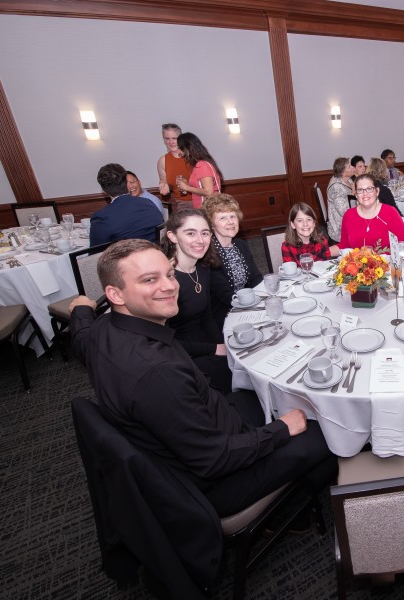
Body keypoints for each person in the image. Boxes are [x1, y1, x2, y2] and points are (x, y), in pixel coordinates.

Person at [69, 239, 337, 519]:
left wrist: (82, 308)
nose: (170, 286)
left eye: (170, 274)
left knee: (257, 390)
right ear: (116, 294)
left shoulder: (101, 330)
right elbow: (215, 459)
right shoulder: (159, 374)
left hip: (211, 423)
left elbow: (79, 335)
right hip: (216, 481)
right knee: (326, 430)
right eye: (149, 280)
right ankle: (289, 514)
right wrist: (282, 428)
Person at [160, 209, 233, 392]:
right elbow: (164, 340)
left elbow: (207, 315)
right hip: (178, 355)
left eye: (205, 233)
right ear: (173, 236)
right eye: (190, 233)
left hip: (204, 343)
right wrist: (212, 349)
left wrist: (221, 346)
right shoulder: (166, 281)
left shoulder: (202, 268)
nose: (200, 240)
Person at [201, 194, 263, 325]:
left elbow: (256, 278)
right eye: (223, 218)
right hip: (225, 314)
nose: (230, 222)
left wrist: (264, 297)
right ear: (211, 224)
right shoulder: (208, 252)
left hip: (248, 304)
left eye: (232, 216)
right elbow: (224, 295)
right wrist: (253, 306)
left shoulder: (240, 244)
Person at [89, 163, 164, 247]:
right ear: (126, 183)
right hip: (157, 255)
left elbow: (95, 254)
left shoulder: (102, 217)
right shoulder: (149, 203)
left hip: (128, 258)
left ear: (104, 190)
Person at [339, 173, 404, 251]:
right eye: (360, 190)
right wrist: (325, 251)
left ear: (377, 191)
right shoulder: (349, 215)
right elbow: (344, 245)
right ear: (356, 194)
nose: (365, 193)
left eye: (369, 189)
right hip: (358, 263)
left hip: (387, 262)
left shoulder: (391, 213)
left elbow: (401, 246)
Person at [175, 132, 223, 209]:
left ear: (187, 148)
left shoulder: (202, 165)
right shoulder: (199, 164)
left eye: (179, 148)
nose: (177, 151)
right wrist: (187, 184)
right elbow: (201, 186)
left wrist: (187, 188)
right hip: (203, 208)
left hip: (208, 209)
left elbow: (208, 191)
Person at [156, 123, 191, 202]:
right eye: (167, 138)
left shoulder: (193, 155)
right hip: (181, 203)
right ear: (164, 140)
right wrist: (163, 185)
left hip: (202, 201)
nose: (171, 142)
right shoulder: (162, 161)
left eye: (174, 138)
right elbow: (163, 180)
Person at [325, 156, 355, 244]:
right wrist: (353, 192)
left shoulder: (348, 180)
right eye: (349, 166)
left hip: (350, 218)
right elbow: (344, 211)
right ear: (342, 172)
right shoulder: (336, 187)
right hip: (340, 227)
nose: (352, 167)